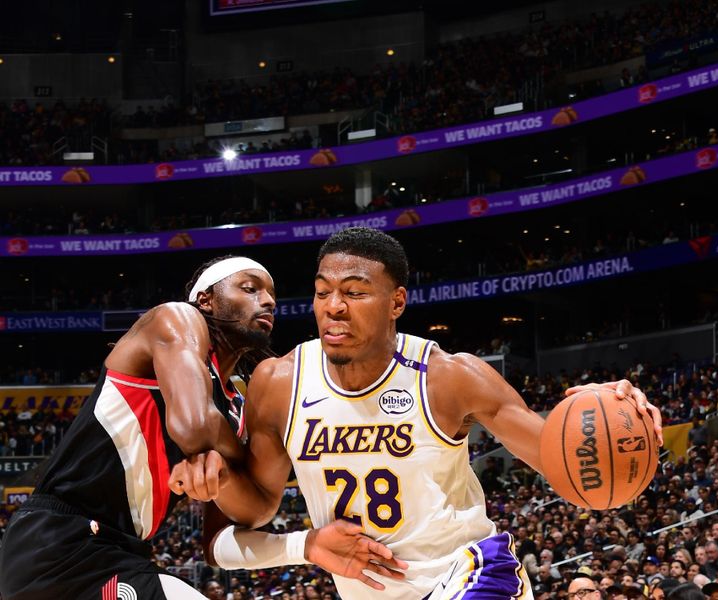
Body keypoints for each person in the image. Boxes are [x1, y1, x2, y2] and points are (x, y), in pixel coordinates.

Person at [174, 228, 664, 599]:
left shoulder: (450, 377)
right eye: (323, 292)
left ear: (397, 302)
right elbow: (257, 507)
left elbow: (562, 462)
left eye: (355, 292)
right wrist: (213, 476)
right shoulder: (280, 383)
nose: (334, 308)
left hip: (471, 573)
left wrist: (613, 418)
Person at [0, 255, 404, 600]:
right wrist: (233, 465)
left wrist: (224, 472)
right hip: (58, 540)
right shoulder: (175, 318)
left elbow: (255, 511)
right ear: (206, 299)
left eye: (271, 295)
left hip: (121, 551)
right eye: (249, 288)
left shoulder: (237, 407)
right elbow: (192, 426)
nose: (266, 301)